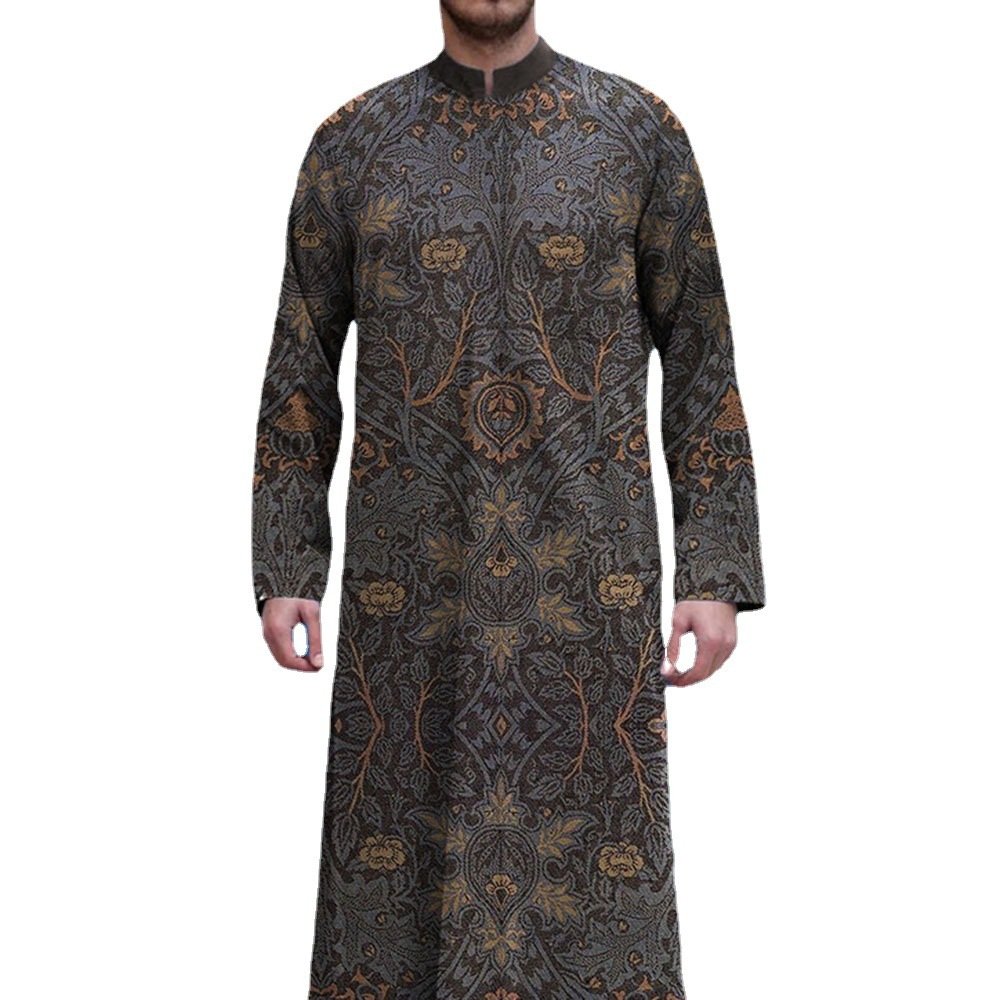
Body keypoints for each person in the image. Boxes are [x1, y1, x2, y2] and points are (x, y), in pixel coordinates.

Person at [251, 2, 765, 996]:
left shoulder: (636, 133)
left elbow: (703, 357)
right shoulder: (354, 145)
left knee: (593, 892)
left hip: (588, 596)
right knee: (396, 884)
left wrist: (715, 571)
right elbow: (300, 366)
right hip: (409, 600)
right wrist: (286, 562)